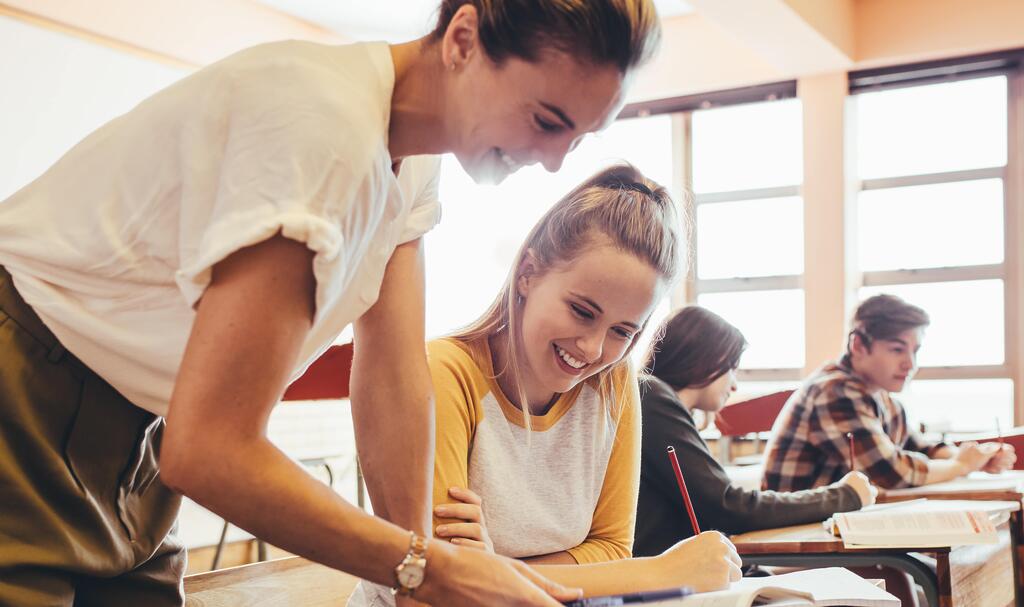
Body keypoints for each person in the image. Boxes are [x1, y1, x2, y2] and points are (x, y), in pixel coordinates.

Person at [0, 2, 664, 605]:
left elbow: (391, 371)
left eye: (576, 138)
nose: (552, 162)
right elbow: (209, 449)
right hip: (28, 385)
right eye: (547, 120)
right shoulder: (323, 131)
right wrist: (423, 565)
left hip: (135, 426)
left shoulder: (414, 156)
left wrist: (417, 581)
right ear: (463, 39)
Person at [350, 165, 742, 606]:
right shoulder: (446, 374)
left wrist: (491, 568)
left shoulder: (614, 387)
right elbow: (436, 588)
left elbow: (612, 550)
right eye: (582, 310)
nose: (593, 349)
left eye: (623, 332)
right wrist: (655, 571)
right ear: (528, 273)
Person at [632, 305, 875, 557]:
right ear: (708, 358)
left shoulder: (653, 400)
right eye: (732, 368)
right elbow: (730, 506)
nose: (734, 385)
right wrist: (844, 496)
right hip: (674, 578)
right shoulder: (653, 398)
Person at [762, 294, 1016, 493]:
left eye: (915, 351)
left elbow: (918, 448)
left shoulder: (881, 397)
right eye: (897, 350)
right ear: (858, 345)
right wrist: (961, 466)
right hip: (795, 540)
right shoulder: (835, 392)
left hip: (829, 530)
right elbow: (891, 472)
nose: (910, 363)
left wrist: (976, 459)